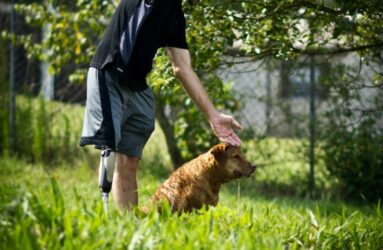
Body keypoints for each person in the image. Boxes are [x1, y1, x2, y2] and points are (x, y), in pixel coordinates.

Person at [80, 0, 242, 212]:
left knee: (129, 160)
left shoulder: (174, 13)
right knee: (109, 150)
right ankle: (104, 216)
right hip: (108, 72)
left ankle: (129, 224)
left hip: (137, 86)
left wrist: (213, 116)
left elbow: (182, 68)